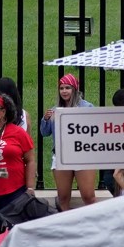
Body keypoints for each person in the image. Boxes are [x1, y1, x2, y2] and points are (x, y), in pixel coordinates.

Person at [42, 74, 97, 209]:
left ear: (74, 89)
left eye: (67, 88)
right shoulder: (55, 110)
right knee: (63, 197)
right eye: (61, 88)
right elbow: (44, 132)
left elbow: (95, 130)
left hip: (82, 155)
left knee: (88, 196)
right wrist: (46, 119)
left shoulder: (87, 107)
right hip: (61, 156)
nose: (64, 91)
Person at [0, 88, 40, 227]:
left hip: (15, 193)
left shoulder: (17, 132)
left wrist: (30, 188)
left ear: (3, 111)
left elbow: (30, 160)